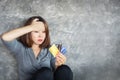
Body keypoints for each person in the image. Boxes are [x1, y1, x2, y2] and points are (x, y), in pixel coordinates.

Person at [1, 16, 73, 80]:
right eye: (36, 31)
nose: (40, 35)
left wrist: (58, 65)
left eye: (44, 32)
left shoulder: (52, 48)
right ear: (29, 32)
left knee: (64, 69)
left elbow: (57, 73)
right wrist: (31, 27)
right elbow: (4, 37)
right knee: (45, 73)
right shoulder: (20, 48)